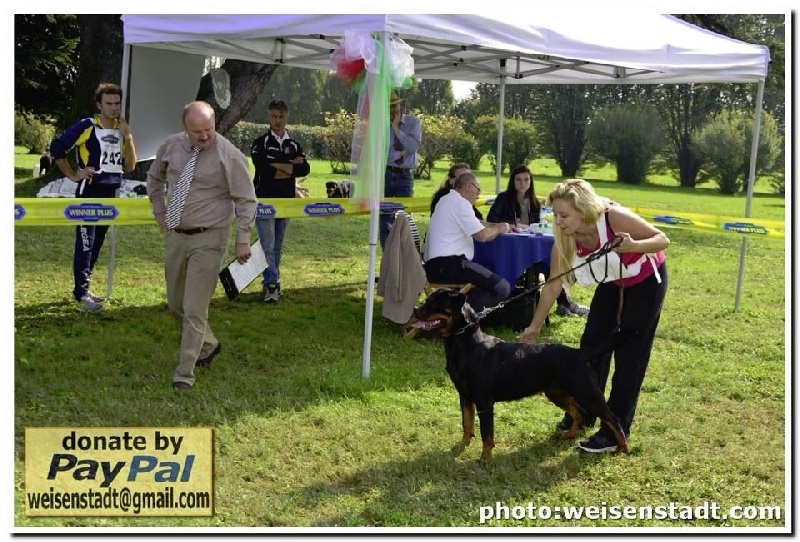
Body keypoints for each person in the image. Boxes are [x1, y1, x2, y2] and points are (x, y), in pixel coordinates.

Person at [516, 178, 669, 453]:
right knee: (591, 348)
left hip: (646, 282)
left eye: (564, 215)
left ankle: (614, 430)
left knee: (630, 357)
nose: (558, 221)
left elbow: (661, 239)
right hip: (613, 282)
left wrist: (633, 245)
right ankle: (584, 412)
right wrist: (534, 327)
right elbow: (552, 285)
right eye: (555, 215)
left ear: (583, 209)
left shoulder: (613, 218)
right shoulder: (563, 239)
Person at [147, 101, 257, 391]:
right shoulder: (171, 146)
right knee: (175, 304)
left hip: (211, 236)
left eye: (209, 129)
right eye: (197, 132)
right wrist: (160, 212)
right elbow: (154, 178)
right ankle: (208, 345)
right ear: (185, 129)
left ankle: (185, 373)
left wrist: (242, 238)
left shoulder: (228, 154)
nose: (205, 136)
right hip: (176, 235)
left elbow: (246, 199)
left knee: (195, 307)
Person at [50, 83, 138, 312]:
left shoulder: (122, 128)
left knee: (97, 243)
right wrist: (72, 174)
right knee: (86, 243)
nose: (113, 108)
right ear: (99, 105)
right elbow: (57, 148)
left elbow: (130, 167)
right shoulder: (87, 126)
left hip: (111, 193)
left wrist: (128, 138)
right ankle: (81, 294)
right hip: (88, 191)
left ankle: (84, 289)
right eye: (108, 104)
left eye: (117, 103)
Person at [487, 164, 589, 317]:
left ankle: (564, 303)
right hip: (510, 246)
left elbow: (536, 225)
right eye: (519, 180)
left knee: (551, 263)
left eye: (526, 180)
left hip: (531, 243)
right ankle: (564, 304)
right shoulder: (503, 198)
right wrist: (516, 225)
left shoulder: (534, 202)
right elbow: (492, 219)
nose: (523, 183)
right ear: (512, 182)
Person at [424, 172, 512, 312]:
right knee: (502, 288)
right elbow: (482, 236)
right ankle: (461, 319)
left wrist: (501, 225)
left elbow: (478, 223)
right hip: (447, 266)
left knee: (486, 276)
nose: (478, 195)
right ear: (469, 187)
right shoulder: (460, 203)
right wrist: (502, 227)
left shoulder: (447, 199)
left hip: (436, 266)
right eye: (478, 189)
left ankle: (459, 313)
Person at [250, 99, 310, 302]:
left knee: (277, 245)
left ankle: (272, 282)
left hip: (287, 201)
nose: (277, 120)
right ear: (268, 116)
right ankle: (272, 285)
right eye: (274, 116)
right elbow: (264, 170)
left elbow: (305, 170)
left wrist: (279, 166)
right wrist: (290, 167)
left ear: (286, 117)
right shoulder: (260, 143)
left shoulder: (294, 144)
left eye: (281, 117)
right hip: (265, 201)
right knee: (267, 244)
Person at [380, 90, 421, 250]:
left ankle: (406, 258)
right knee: (384, 219)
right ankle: (388, 259)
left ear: (400, 104)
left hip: (405, 176)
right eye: (389, 107)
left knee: (405, 219)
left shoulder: (413, 122)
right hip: (387, 173)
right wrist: (403, 153)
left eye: (395, 105)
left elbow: (414, 146)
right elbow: (385, 156)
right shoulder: (382, 126)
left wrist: (397, 129)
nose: (393, 110)